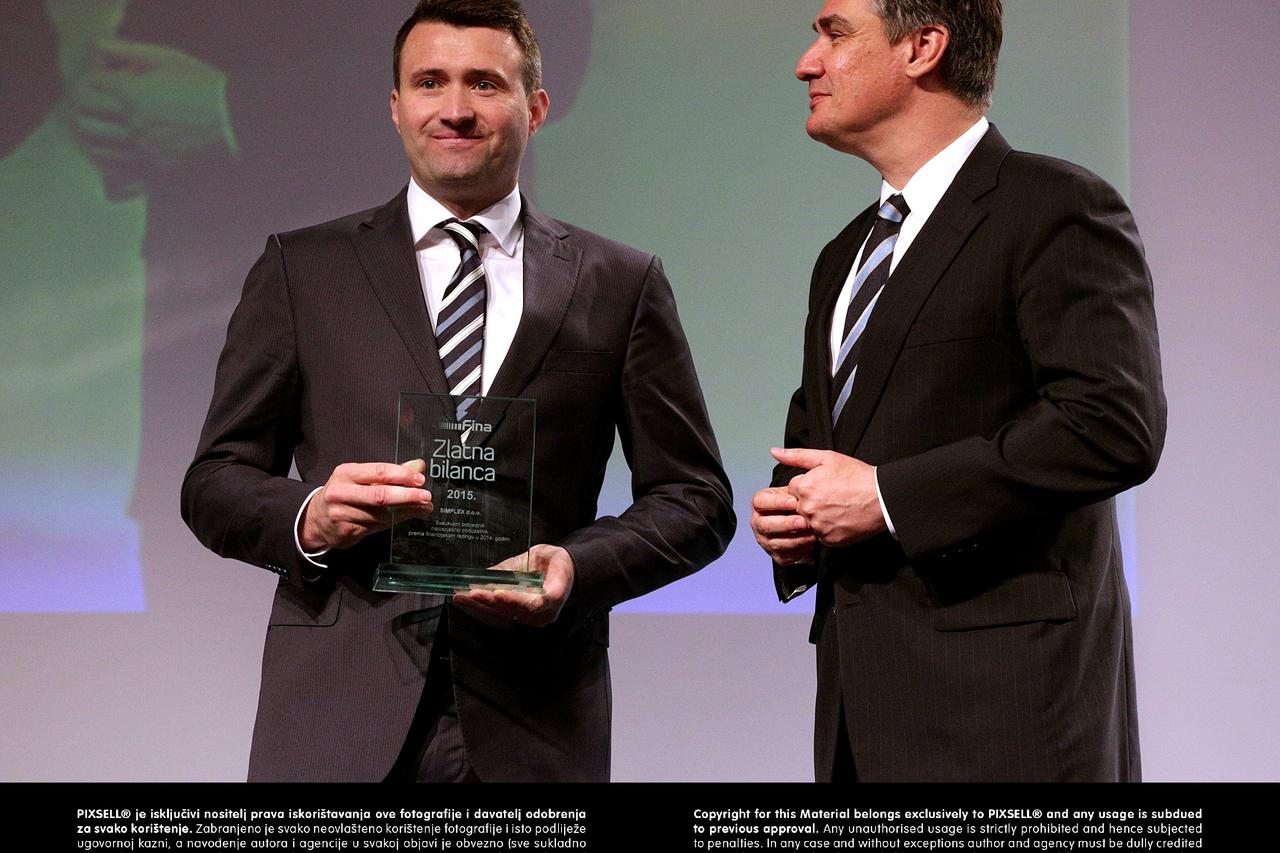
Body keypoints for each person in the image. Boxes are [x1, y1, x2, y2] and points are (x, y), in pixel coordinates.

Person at [182, 0, 734, 782]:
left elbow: (696, 499)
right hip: (339, 715)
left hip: (535, 718)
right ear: (396, 106)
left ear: (536, 108)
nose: (455, 110)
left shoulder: (620, 284)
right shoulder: (303, 271)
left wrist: (577, 568)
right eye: (430, 82)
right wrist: (312, 514)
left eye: (484, 84)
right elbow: (214, 483)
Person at [750, 0, 1165, 782]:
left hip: (1010, 719)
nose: (807, 62)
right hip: (862, 724)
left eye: (834, 33)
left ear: (923, 48)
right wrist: (793, 512)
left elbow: (1112, 424)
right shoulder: (844, 256)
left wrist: (888, 498)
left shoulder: (1054, 207)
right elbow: (827, 445)